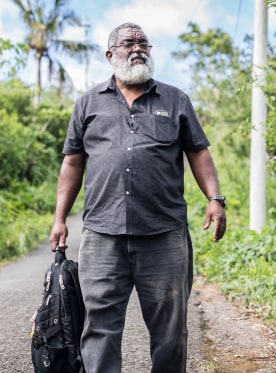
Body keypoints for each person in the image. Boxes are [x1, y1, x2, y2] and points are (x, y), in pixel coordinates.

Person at [49, 22, 226, 373]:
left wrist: (215, 198)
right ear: (110, 54)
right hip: (102, 235)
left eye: (143, 43)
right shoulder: (88, 104)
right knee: (99, 328)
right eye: (128, 43)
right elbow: (72, 163)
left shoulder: (175, 100)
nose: (137, 48)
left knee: (170, 332)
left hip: (164, 235)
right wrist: (59, 219)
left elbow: (199, 153)